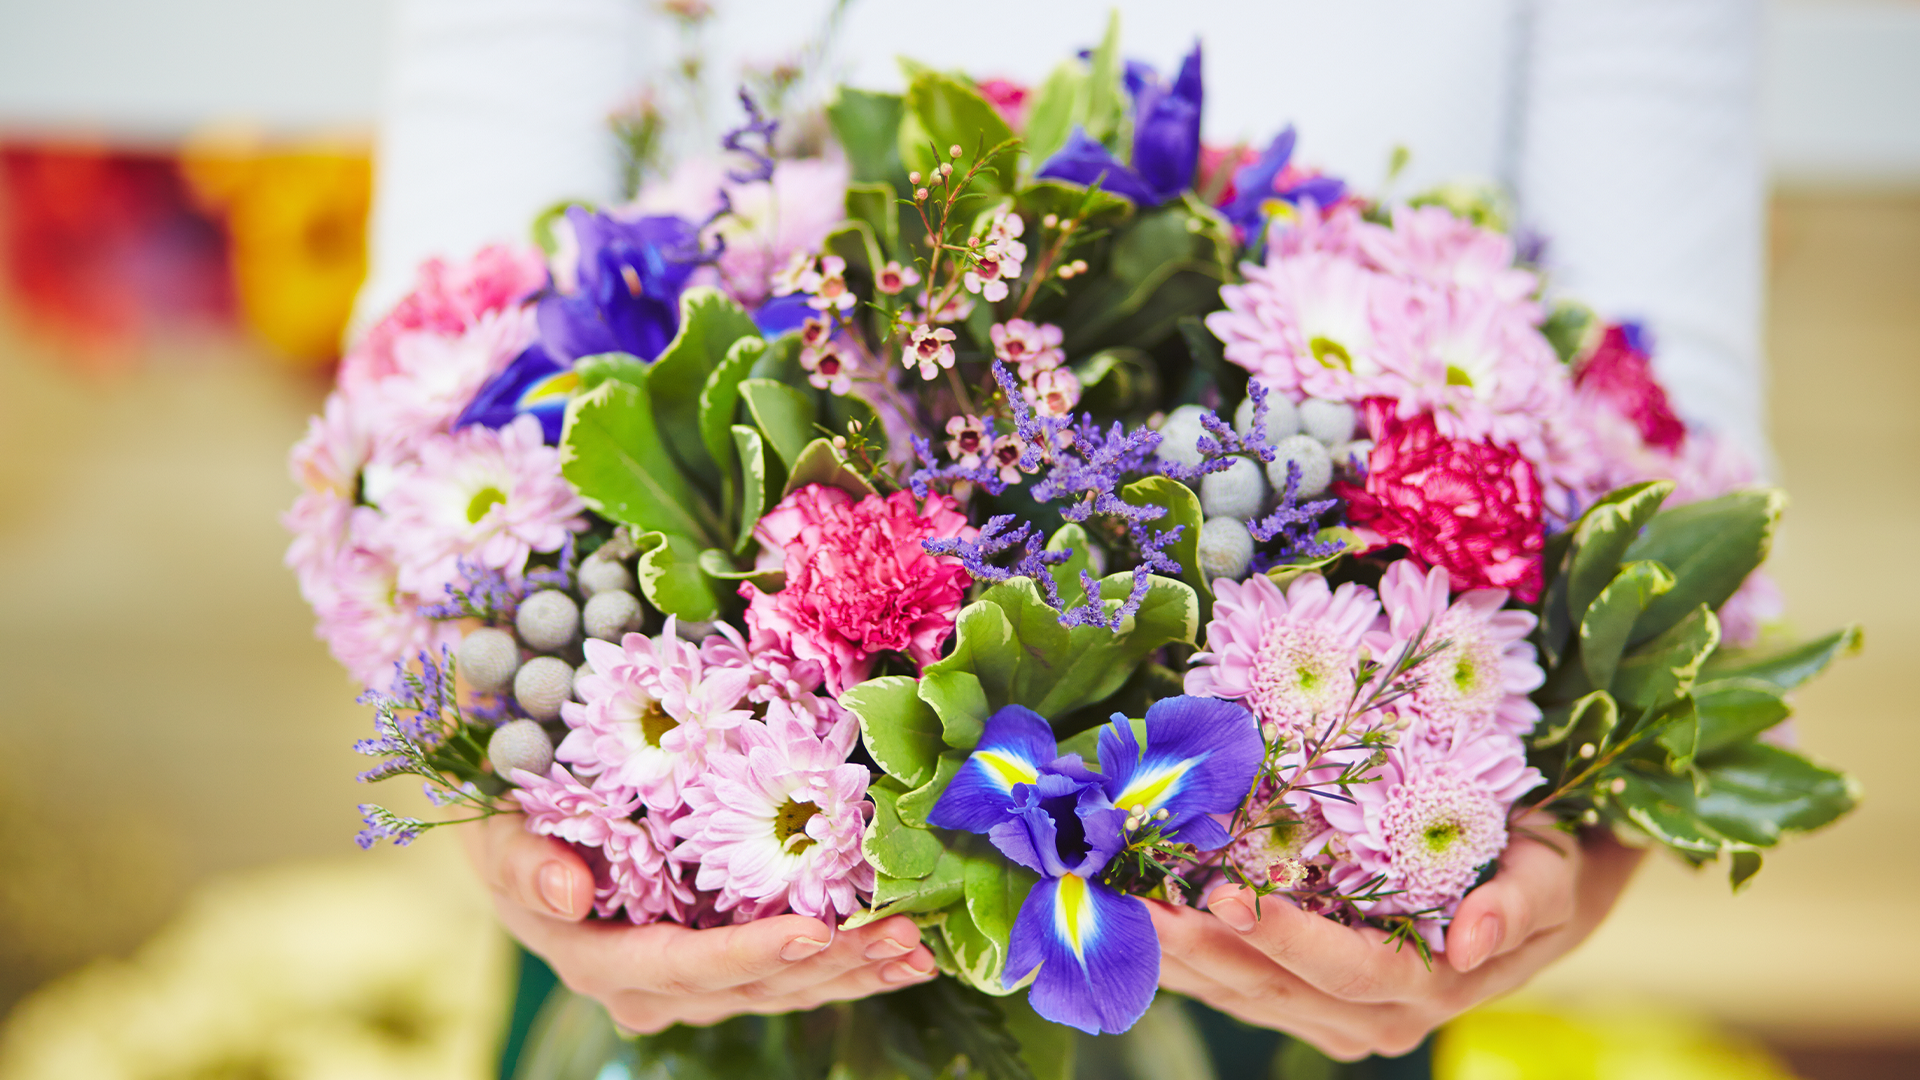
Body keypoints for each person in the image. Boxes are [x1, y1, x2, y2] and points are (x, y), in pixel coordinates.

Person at [369, 0, 1764, 1069]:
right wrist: (507, 789)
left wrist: (1565, 847)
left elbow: (1658, 408)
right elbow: (440, 341)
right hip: (683, 898)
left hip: (1295, 945)